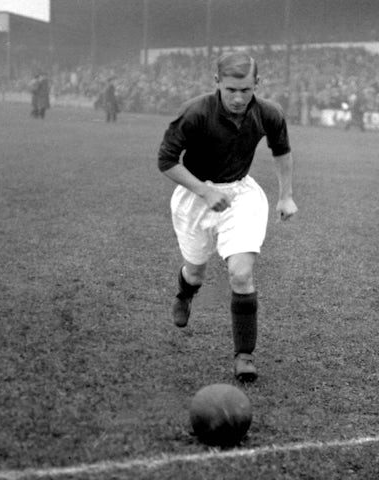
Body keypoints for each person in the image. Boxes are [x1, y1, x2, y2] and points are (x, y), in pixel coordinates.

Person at [157, 52, 298, 382]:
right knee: (195, 271)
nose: (238, 97)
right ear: (217, 83)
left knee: (240, 273)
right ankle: (185, 294)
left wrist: (286, 195)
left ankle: (244, 355)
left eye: (246, 90)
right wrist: (205, 191)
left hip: (240, 195)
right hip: (195, 196)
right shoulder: (195, 112)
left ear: (257, 85)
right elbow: (166, 160)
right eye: (231, 89)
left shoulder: (268, 113)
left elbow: (282, 151)